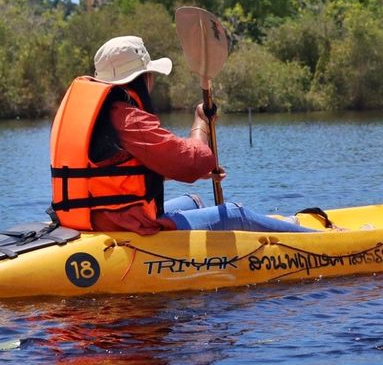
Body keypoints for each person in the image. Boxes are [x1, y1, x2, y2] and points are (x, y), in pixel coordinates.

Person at [50, 35, 317, 234]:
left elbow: (118, 176)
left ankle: (284, 225)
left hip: (92, 218)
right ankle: (320, 240)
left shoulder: (98, 114)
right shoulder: (127, 118)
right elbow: (195, 161)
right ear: (144, 78)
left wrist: (201, 172)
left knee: (194, 201)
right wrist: (200, 121)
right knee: (236, 214)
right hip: (128, 226)